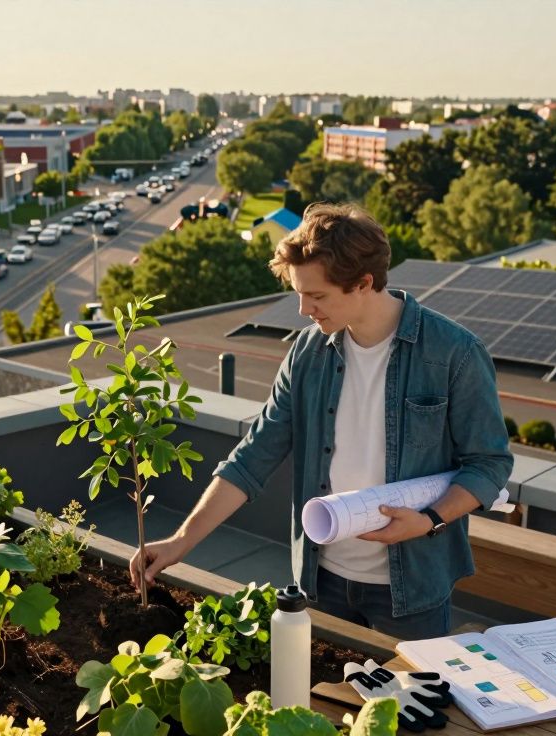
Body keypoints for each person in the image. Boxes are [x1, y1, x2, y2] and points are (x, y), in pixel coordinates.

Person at [130, 203, 513, 640]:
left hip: (413, 590)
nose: (302, 310)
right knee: (323, 706)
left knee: (414, 707)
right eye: (298, 293)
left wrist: (428, 519)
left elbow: (489, 464)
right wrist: (181, 541)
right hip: (320, 583)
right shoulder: (307, 352)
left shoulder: (454, 352)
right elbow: (255, 454)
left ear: (364, 283)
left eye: (316, 296)